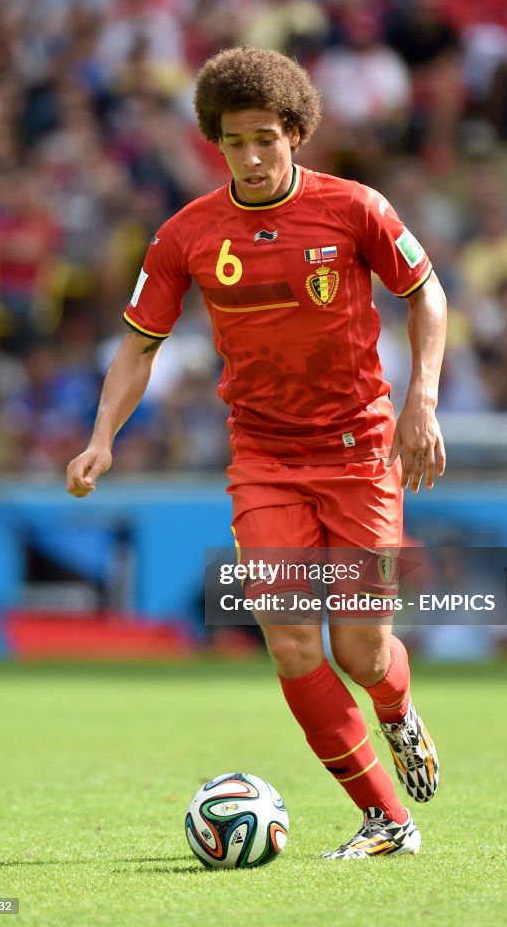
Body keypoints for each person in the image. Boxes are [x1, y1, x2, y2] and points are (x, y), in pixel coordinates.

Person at [66, 47, 447, 860]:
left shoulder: (355, 210)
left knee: (360, 649)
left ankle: (395, 707)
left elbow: (426, 295)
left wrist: (421, 402)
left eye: (266, 138)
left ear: (296, 133)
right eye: (234, 142)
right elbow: (138, 347)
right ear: (216, 143)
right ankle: (386, 818)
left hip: (358, 450)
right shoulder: (187, 235)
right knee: (290, 640)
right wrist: (102, 437)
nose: (252, 156)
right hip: (263, 456)